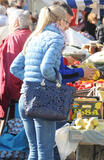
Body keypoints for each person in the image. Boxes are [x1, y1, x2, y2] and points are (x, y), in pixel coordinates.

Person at [9, 5, 69, 159]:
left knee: (34, 151)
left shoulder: (34, 37)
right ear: (60, 21)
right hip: (42, 99)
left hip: (25, 97)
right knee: (45, 152)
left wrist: (31, 79)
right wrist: (57, 80)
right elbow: (46, 68)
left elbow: (15, 67)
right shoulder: (56, 38)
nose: (67, 26)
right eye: (67, 22)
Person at [0, 9, 31, 120]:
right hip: (29, 91)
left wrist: (13, 96)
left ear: (16, 22)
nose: (8, 24)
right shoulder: (32, 35)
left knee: (12, 129)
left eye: (10, 21)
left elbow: (11, 70)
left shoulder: (13, 37)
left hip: (16, 95)